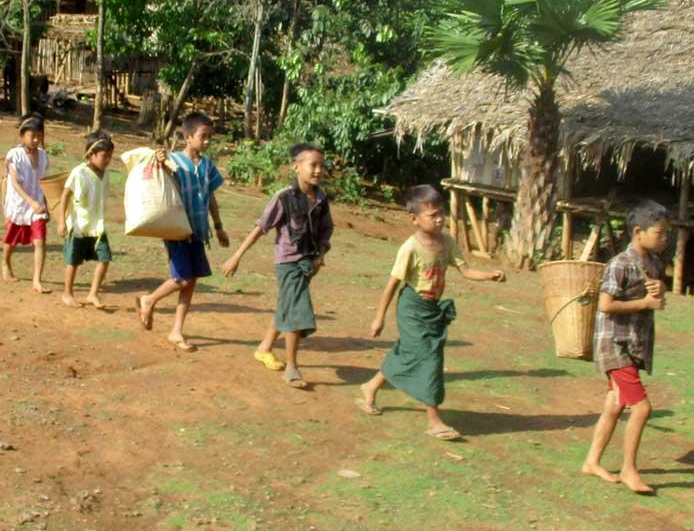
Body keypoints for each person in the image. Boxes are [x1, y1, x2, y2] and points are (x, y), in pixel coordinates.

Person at [357, 184, 505, 439]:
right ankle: (434, 420)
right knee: (430, 359)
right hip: (412, 308)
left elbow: (465, 270)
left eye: (441, 213)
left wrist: (489, 275)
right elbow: (392, 284)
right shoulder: (410, 248)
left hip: (432, 309)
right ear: (414, 219)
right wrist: (378, 317)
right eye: (432, 215)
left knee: (407, 353)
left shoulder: (447, 242)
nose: (439, 219)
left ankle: (370, 387)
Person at [221, 142, 333, 389]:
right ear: (296, 167)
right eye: (312, 165)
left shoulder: (322, 198)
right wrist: (236, 256)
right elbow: (261, 227)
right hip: (288, 262)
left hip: (310, 261)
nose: (318, 170)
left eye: (321, 166)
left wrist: (320, 255)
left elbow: (326, 231)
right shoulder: (283, 197)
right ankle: (292, 367)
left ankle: (264, 348)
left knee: (287, 304)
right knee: (296, 311)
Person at [581, 199, 671, 495]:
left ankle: (592, 461)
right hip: (615, 344)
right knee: (642, 408)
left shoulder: (654, 263)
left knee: (615, 404)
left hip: (634, 343)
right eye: (659, 233)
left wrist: (659, 292)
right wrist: (646, 302)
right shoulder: (620, 263)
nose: (664, 239)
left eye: (665, 234)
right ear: (637, 231)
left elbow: (656, 299)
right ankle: (629, 469)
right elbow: (605, 304)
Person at [136, 113, 230, 352]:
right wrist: (160, 162)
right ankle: (149, 300)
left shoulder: (208, 166)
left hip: (198, 231)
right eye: (203, 136)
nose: (208, 141)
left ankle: (176, 331)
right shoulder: (174, 161)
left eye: (210, 136)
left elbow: (211, 197)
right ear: (187, 137)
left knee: (191, 281)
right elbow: (163, 181)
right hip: (177, 229)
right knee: (183, 278)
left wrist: (218, 226)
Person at [59, 131, 114, 310]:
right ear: (91, 155)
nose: (107, 160)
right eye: (104, 156)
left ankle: (93, 293)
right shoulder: (79, 172)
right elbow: (65, 194)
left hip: (97, 226)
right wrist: (61, 221)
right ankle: (67, 293)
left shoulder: (105, 174)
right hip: (79, 225)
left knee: (104, 258)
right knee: (73, 261)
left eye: (110, 157)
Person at [2, 114, 50, 291]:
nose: (36, 139)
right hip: (18, 202)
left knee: (40, 240)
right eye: (32, 135)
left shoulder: (44, 156)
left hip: (37, 203)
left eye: (39, 135)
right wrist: (30, 202)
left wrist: (46, 204)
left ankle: (37, 280)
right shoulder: (14, 155)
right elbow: (14, 183)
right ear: (22, 136)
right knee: (12, 239)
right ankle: (5, 262)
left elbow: (43, 182)